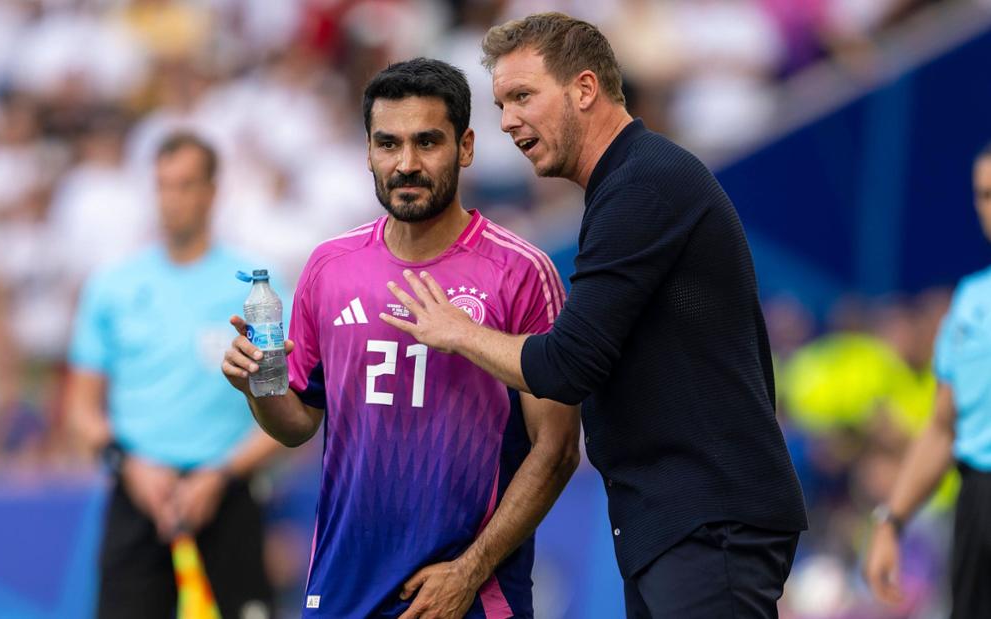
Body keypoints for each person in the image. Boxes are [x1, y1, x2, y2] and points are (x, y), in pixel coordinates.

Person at [381, 13, 807, 618]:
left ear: (584, 89)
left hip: (708, 522)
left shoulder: (643, 185)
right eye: (502, 104)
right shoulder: (630, 184)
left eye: (523, 96)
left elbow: (566, 366)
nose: (507, 121)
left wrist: (458, 331)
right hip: (684, 521)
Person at [220, 58, 581, 618]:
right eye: (388, 144)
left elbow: (556, 451)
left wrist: (469, 572)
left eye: (427, 142)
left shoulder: (520, 272)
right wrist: (257, 387)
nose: (406, 164)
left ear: (465, 147)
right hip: (342, 588)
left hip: (464, 594)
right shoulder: (328, 267)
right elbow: (296, 426)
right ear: (367, 151)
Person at [67, 132, 281, 619]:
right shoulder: (112, 286)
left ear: (212, 191)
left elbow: (289, 407)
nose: (172, 199)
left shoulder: (255, 287)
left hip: (227, 492)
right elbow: (81, 408)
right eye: (163, 186)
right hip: (138, 491)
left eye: (185, 185)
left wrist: (220, 473)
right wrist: (131, 467)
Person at [864, 142, 991, 618]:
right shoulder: (969, 304)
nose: (990, 207)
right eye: (983, 195)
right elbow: (942, 426)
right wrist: (891, 521)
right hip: (977, 502)